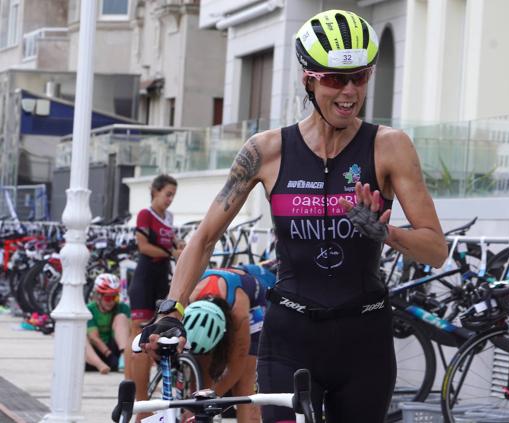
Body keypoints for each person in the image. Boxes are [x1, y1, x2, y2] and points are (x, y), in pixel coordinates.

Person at [140, 9, 447, 423]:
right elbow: (206, 237)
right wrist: (170, 311)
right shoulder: (266, 151)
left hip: (364, 339)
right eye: (336, 79)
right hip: (291, 338)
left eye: (361, 77)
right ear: (308, 78)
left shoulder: (389, 146)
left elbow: (436, 249)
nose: (350, 91)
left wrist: (386, 232)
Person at [126, 174, 184, 415]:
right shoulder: (145, 214)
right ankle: (136, 399)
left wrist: (181, 249)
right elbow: (143, 246)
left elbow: (173, 243)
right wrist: (171, 253)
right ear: (156, 192)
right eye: (167, 194)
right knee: (138, 336)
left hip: (162, 278)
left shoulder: (168, 218)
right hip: (145, 277)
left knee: (158, 334)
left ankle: (149, 391)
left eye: (173, 195)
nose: (170, 199)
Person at [186, 267, 266, 422]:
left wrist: (209, 401)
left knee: (244, 387)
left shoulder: (239, 310)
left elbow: (237, 366)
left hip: (253, 303)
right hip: (217, 292)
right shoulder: (188, 298)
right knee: (203, 373)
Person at [85, 274, 130, 374]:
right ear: (98, 296)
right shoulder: (89, 309)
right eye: (108, 298)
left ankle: (124, 357)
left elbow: (131, 333)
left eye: (115, 298)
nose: (112, 302)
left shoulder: (123, 308)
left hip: (116, 351)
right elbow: (94, 338)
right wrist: (109, 355)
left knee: (121, 317)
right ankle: (101, 366)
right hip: (96, 354)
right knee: (80, 337)